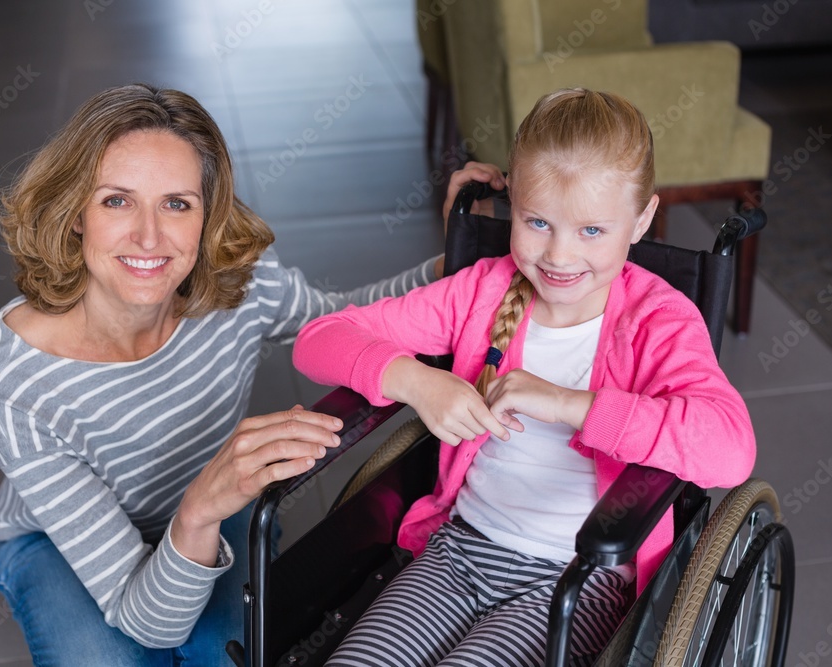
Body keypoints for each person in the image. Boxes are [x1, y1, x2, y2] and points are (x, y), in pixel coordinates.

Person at [0, 83, 444, 667]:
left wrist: (461, 261)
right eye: (117, 200)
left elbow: (347, 319)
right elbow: (145, 619)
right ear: (74, 215)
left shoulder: (239, 286)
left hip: (213, 495)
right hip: (56, 540)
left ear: (206, 217)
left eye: (177, 203)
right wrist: (197, 511)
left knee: (229, 656)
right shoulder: (13, 376)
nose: (148, 236)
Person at [292, 88, 756, 666]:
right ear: (513, 203)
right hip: (459, 550)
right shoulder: (482, 291)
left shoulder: (657, 320)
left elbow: (730, 449)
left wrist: (570, 403)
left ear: (641, 220)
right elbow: (318, 340)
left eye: (592, 231)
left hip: (577, 580)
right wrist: (414, 381)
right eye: (538, 222)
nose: (559, 256)